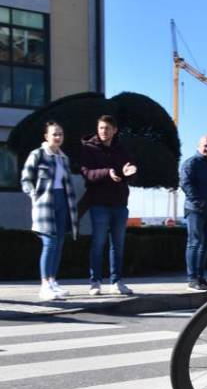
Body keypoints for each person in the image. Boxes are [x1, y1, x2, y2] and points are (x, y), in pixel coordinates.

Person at [20, 121, 79, 300]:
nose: (58, 137)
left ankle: (53, 281)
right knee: (50, 243)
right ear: (46, 136)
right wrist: (34, 195)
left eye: (60, 134)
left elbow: (66, 184)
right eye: (54, 134)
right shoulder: (37, 154)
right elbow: (25, 179)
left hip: (63, 202)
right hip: (45, 203)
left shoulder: (64, 158)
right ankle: (44, 285)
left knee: (59, 243)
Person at [80, 114, 137, 296]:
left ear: (115, 130)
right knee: (98, 243)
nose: (104, 131)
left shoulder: (121, 150)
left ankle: (116, 281)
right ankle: (95, 281)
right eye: (101, 128)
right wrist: (107, 172)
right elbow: (87, 173)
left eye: (107, 128)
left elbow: (129, 171)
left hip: (120, 203)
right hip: (99, 203)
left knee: (118, 245)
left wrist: (130, 172)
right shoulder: (89, 149)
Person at [180, 135, 207, 292]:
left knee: (205, 244)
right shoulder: (191, 163)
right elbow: (185, 182)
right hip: (195, 210)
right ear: (199, 145)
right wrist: (198, 201)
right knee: (195, 243)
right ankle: (192, 278)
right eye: (205, 145)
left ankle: (200, 278)